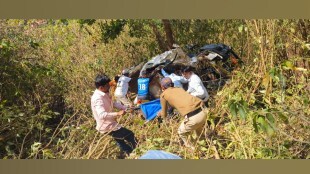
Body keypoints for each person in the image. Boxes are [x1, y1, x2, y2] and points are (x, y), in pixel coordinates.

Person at [91, 74, 137, 158]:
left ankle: (129, 154)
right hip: (107, 125)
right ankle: (135, 153)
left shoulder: (105, 93)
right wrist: (117, 113)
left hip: (109, 123)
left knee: (120, 140)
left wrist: (125, 107)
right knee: (130, 135)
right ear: (101, 87)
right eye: (107, 85)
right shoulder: (98, 98)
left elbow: (113, 103)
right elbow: (102, 115)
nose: (109, 86)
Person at [157, 77, 208, 149]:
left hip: (193, 118)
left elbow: (164, 114)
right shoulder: (179, 88)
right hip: (204, 111)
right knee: (198, 131)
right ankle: (204, 145)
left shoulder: (163, 95)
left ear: (162, 87)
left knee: (181, 132)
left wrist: (161, 115)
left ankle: (193, 149)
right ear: (172, 84)